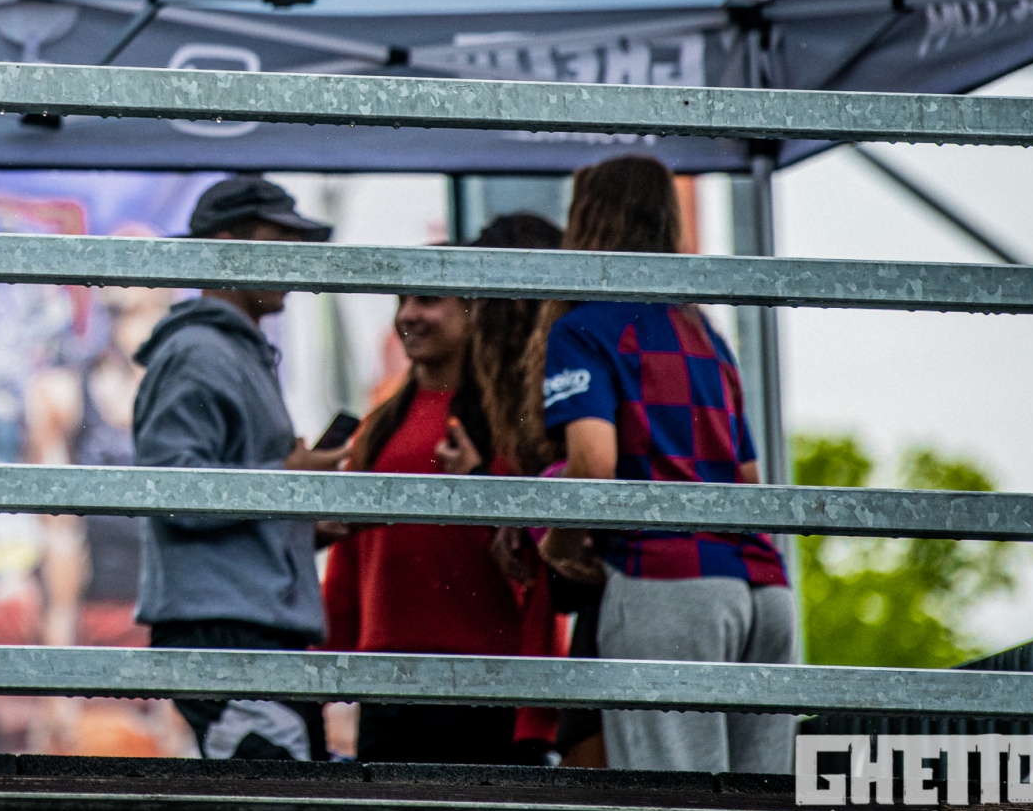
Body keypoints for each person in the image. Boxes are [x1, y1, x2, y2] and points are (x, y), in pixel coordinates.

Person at [533, 155, 794, 774]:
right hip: (764, 589)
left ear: (586, 220)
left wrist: (558, 546)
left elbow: (593, 466)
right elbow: (749, 482)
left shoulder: (584, 329)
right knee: (763, 808)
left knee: (674, 803)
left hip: (667, 586)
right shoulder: (706, 334)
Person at [320, 211, 564, 765]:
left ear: (475, 310)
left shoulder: (509, 423)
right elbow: (348, 563)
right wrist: (322, 671)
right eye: (402, 301)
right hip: (387, 686)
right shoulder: (378, 425)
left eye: (428, 300)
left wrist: (538, 714)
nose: (409, 315)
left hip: (489, 683)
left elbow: (539, 565)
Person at [132, 175, 341, 760]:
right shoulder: (202, 353)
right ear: (227, 244)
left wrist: (304, 524)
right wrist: (289, 480)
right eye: (281, 240)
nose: (294, 259)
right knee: (276, 804)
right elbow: (171, 491)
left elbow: (202, 495)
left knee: (281, 798)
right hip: (228, 630)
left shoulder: (224, 351)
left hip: (240, 625)